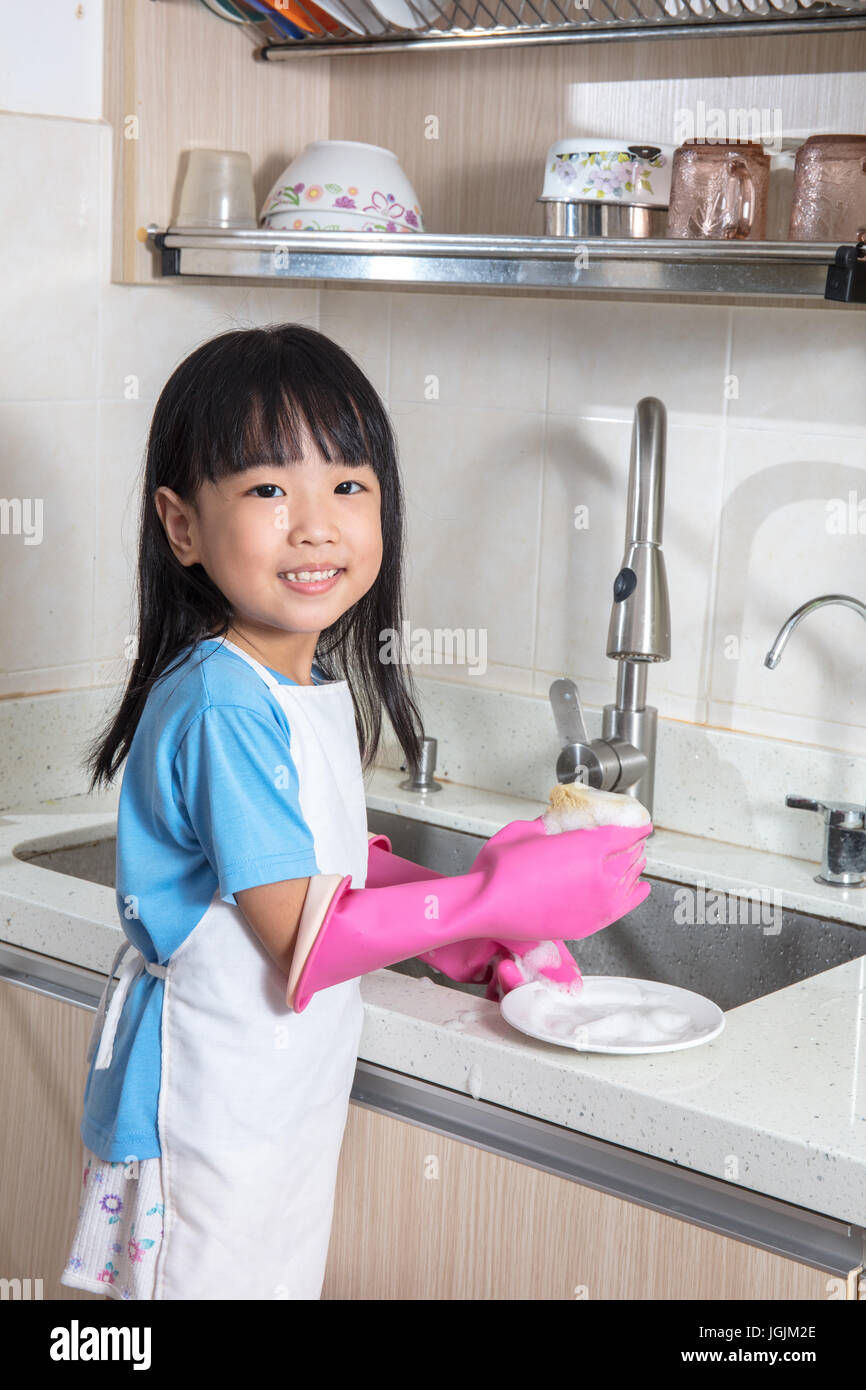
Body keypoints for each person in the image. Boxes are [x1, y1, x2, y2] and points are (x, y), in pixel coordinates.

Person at [59, 323, 651, 1302]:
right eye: (264, 489)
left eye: (347, 485)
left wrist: (457, 904)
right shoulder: (220, 701)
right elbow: (305, 933)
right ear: (181, 525)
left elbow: (321, 854)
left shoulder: (302, 676)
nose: (314, 525)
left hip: (273, 1096)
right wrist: (487, 901)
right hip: (204, 1099)